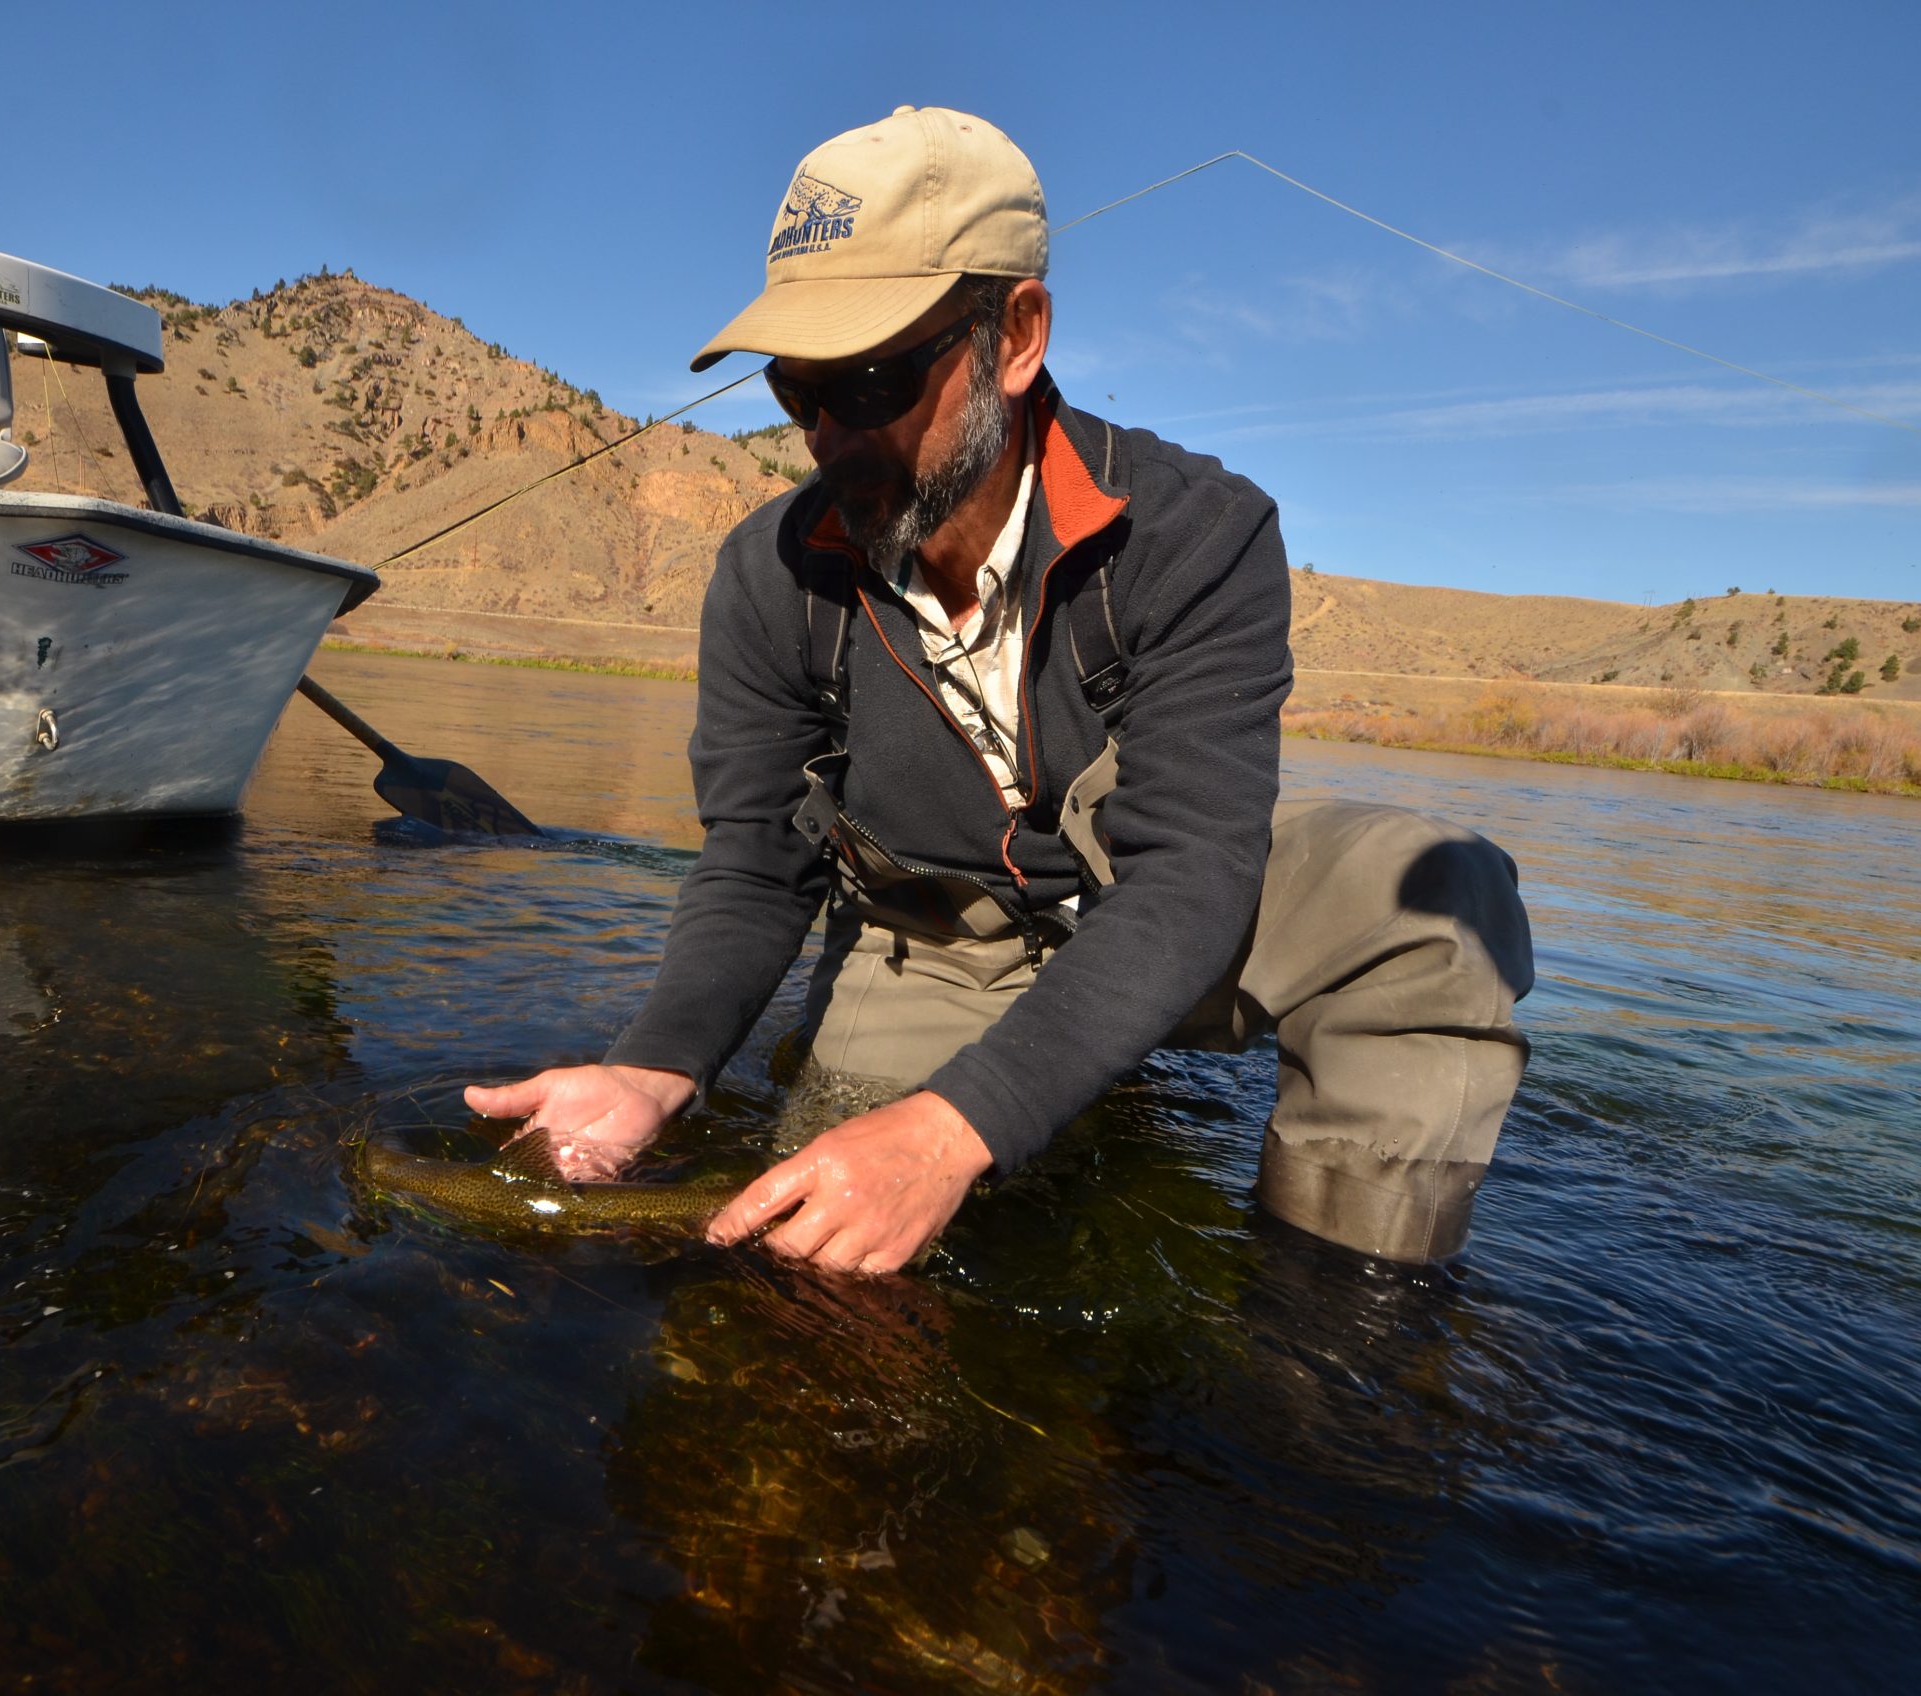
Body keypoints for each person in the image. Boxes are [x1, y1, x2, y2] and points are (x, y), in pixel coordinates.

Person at [468, 107, 1533, 1273]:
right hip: (934, 943)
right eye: (795, 390)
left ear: (1014, 336)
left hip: (1157, 912)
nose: (825, 436)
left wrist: (953, 1129)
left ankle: (1334, 1330)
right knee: (820, 1266)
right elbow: (753, 865)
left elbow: (1192, 873)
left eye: (868, 380)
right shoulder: (768, 575)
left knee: (1432, 900)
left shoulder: (1202, 536)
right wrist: (653, 1064)